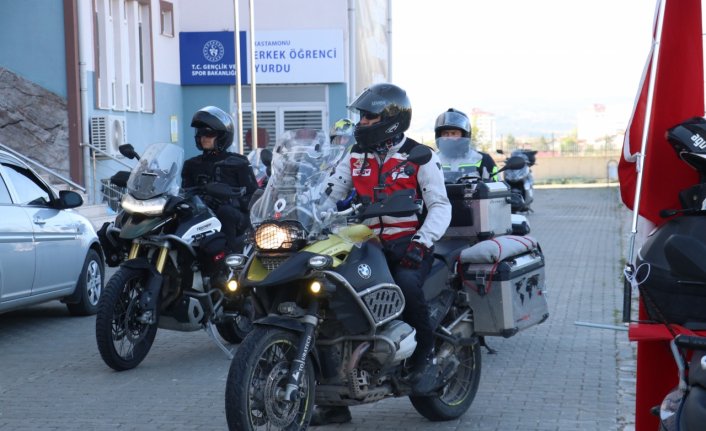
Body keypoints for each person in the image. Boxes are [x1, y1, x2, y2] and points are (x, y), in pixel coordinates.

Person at [313, 83, 452, 426]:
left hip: (409, 244)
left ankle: (425, 357)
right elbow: (328, 193)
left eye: (368, 115)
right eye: (360, 115)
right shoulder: (355, 156)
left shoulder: (420, 156)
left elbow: (440, 206)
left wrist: (422, 242)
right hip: (366, 243)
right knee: (329, 296)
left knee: (405, 283)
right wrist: (304, 215)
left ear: (390, 119)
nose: (361, 122)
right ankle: (333, 397)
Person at [182, 106, 258, 253]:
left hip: (235, 218)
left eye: (208, 133)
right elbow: (185, 193)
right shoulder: (191, 164)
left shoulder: (238, 162)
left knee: (225, 212)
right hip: (203, 214)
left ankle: (228, 260)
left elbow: (253, 198)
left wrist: (229, 197)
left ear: (223, 135)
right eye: (200, 133)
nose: (203, 137)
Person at [434, 108, 498, 181]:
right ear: (439, 136)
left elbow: (497, 188)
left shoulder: (482, 159)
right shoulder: (433, 160)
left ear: (464, 135)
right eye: (445, 134)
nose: (449, 137)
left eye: (453, 133)